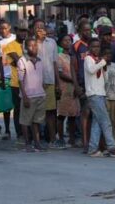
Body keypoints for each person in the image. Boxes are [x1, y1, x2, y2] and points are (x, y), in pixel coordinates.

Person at [84, 39, 115, 157]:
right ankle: (112, 147)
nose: (96, 49)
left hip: (101, 93)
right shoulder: (89, 59)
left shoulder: (98, 60)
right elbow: (92, 70)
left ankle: (93, 149)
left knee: (97, 122)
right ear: (89, 47)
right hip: (94, 94)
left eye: (98, 47)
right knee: (106, 121)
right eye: (93, 47)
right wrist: (103, 61)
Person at [17, 37, 47, 152]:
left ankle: (37, 142)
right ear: (25, 47)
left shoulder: (40, 60)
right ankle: (27, 143)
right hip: (28, 96)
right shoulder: (22, 61)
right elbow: (20, 80)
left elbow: (41, 77)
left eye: (35, 45)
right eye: (30, 45)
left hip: (40, 94)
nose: (34, 47)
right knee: (25, 121)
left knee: (36, 121)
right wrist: (24, 96)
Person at [35, 19, 61, 147]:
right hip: (35, 83)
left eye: (42, 27)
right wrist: (37, 41)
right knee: (37, 112)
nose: (40, 30)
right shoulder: (30, 43)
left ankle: (52, 139)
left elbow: (55, 63)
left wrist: (58, 83)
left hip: (50, 80)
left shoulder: (52, 43)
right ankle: (37, 140)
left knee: (51, 112)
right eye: (37, 27)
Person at [3, 26, 27, 139]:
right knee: (18, 109)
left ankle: (29, 133)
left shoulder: (29, 44)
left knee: (29, 109)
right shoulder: (10, 45)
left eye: (25, 31)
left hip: (31, 83)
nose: (23, 33)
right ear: (16, 32)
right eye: (21, 31)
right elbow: (18, 61)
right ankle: (19, 133)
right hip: (16, 83)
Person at [56, 33, 79, 149]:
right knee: (62, 114)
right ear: (60, 43)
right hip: (64, 87)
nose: (68, 42)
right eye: (65, 41)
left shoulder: (73, 56)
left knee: (73, 115)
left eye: (69, 40)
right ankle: (60, 138)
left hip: (74, 88)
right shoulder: (59, 56)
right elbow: (60, 74)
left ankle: (72, 139)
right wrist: (74, 80)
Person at [74, 19, 94, 150]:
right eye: (85, 30)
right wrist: (76, 85)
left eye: (89, 30)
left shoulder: (94, 44)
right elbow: (73, 66)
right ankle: (85, 141)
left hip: (95, 83)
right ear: (80, 32)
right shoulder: (76, 46)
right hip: (83, 83)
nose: (88, 32)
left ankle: (93, 139)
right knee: (85, 112)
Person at [102, 46, 115, 150]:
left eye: (110, 54)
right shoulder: (100, 66)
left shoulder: (114, 65)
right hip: (105, 96)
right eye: (106, 54)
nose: (108, 56)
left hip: (114, 96)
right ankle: (106, 143)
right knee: (107, 121)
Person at [0, 21, 15, 140]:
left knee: (17, 105)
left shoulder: (15, 39)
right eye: (1, 28)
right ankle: (7, 130)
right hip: (5, 76)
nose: (3, 30)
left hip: (16, 76)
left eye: (5, 28)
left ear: (9, 27)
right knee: (6, 106)